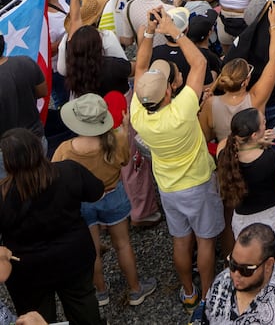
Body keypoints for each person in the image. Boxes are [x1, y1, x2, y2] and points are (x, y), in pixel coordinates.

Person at [130, 5, 224, 310]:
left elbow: (140, 68)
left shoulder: (139, 113)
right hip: (197, 181)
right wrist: (173, 31)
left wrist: (148, 33)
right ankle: (209, 294)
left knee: (181, 240)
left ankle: (187, 292)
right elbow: (198, 62)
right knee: (206, 240)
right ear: (170, 90)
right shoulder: (183, 109)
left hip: (168, 187)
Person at [53, 94, 157, 308]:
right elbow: (125, 160)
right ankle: (136, 289)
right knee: (123, 244)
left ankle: (100, 293)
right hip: (113, 195)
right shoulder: (116, 138)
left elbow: (55, 176)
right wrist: (125, 131)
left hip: (82, 203)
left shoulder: (66, 149)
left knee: (93, 250)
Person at [0, 128, 104, 324]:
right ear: (38, 150)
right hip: (73, 257)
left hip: (27, 269)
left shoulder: (3, 195)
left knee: (36, 316)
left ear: (8, 161)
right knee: (83, 304)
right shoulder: (68, 171)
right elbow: (97, 191)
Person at [199, 4, 275, 145]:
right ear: (245, 82)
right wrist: (274, 25)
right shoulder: (255, 99)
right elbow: (274, 59)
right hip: (254, 155)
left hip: (225, 156)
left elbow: (205, 137)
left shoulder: (209, 104)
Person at [215, 109, 275, 238]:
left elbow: (224, 143)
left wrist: (255, 142)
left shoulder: (224, 156)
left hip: (242, 220)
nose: (266, 125)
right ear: (254, 135)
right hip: (272, 215)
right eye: (264, 123)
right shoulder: (270, 156)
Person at [0, 33, 47, 178]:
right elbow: (42, 91)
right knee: (42, 183)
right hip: (36, 140)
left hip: (5, 153)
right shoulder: (26, 62)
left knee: (11, 194)